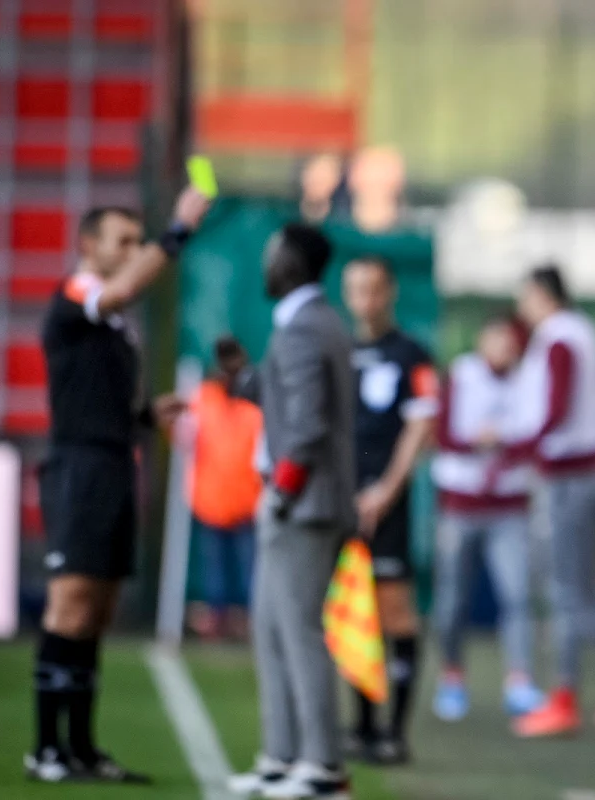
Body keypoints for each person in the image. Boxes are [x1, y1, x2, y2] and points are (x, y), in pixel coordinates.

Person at [29, 187, 211, 782]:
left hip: (112, 462)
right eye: (123, 241)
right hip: (79, 467)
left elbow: (91, 396)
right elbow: (125, 288)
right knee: (69, 604)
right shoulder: (77, 292)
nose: (133, 252)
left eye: (140, 240)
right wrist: (176, 230)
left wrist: (142, 416)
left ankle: (81, 747)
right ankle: (46, 749)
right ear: (89, 246)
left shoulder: (115, 327)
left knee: (98, 611)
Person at [227, 224, 354, 800]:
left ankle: (321, 765)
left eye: (271, 251)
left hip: (302, 502)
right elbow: (290, 400)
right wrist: (242, 380)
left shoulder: (304, 326)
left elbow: (306, 422)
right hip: (301, 498)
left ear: (293, 263)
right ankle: (282, 757)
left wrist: (282, 490)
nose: (265, 261)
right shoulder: (310, 322)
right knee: (273, 629)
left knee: (297, 630)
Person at [507, 265, 595, 739]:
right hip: (586, 471)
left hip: (567, 476)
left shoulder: (558, 335)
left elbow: (555, 407)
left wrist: (519, 449)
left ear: (541, 293)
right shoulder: (580, 331)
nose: (521, 305)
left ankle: (565, 697)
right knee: (588, 587)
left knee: (568, 591)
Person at [342, 257, 439, 764]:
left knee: (394, 611)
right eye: (356, 289)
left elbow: (420, 426)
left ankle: (394, 732)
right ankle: (360, 726)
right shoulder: (341, 350)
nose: (366, 299)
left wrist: (384, 490)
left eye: (374, 289)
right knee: (353, 613)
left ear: (390, 293)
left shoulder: (412, 354)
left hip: (387, 506)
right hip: (342, 504)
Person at [429, 315, 544, 722]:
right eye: (497, 339)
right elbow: (441, 434)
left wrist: (503, 445)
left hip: (509, 506)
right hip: (460, 506)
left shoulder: (529, 380)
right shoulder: (461, 375)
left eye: (510, 341)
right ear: (481, 341)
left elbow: (533, 437)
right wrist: (480, 443)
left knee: (516, 597)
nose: (504, 348)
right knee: (451, 600)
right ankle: (452, 678)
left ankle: (520, 680)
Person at [181, 336, 264, 641]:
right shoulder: (204, 397)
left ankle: (248, 619)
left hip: (247, 499)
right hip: (211, 498)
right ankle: (218, 618)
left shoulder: (256, 399)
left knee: (250, 568)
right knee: (215, 567)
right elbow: (187, 439)